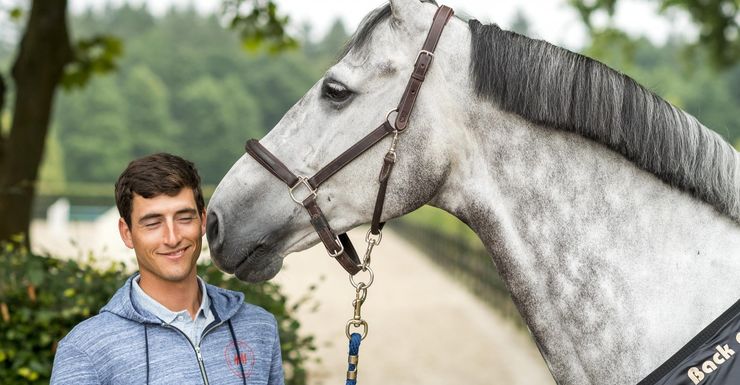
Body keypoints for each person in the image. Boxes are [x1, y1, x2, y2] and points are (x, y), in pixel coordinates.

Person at [50, 153, 284, 385]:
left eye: (184, 218)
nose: (172, 238)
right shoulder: (85, 349)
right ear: (126, 233)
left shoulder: (258, 326)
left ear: (202, 220)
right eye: (153, 223)